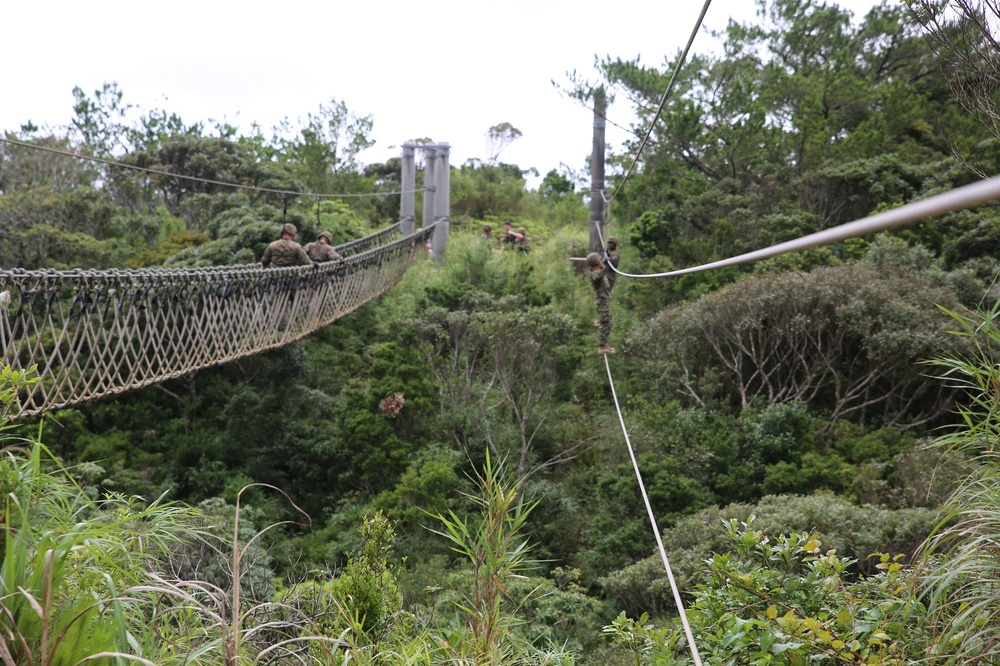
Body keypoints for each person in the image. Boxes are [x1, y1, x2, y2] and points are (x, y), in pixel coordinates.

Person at [586, 252, 614, 354]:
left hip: (604, 300)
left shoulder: (598, 271)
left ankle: (605, 343)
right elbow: (598, 276)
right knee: (606, 323)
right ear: (596, 262)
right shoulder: (595, 273)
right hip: (602, 301)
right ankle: (602, 346)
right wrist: (604, 266)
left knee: (610, 321)